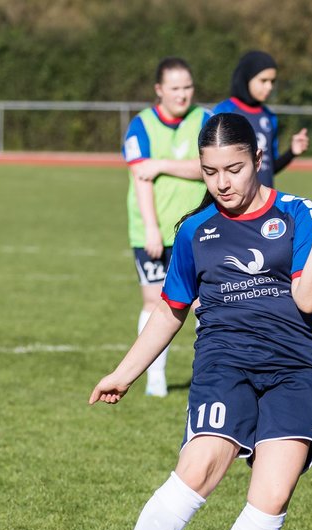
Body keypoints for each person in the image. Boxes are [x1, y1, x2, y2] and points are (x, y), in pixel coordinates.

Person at [66, 112, 312, 530]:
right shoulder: (195, 231)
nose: (223, 183)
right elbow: (170, 311)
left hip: (291, 371)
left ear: (258, 159)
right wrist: (124, 372)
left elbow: (308, 298)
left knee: (273, 494)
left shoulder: (298, 213)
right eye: (210, 172)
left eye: (234, 169)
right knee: (200, 468)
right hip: (223, 363)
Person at [121, 57, 210, 397]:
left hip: (198, 227)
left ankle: (209, 373)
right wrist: (152, 229)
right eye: (175, 88)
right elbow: (141, 177)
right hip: (153, 229)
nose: (182, 94)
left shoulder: (205, 119)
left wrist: (162, 164)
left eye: (188, 87)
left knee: (206, 303)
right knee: (155, 302)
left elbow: (210, 166)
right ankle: (154, 376)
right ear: (159, 90)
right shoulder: (141, 126)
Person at [211, 50, 309, 189]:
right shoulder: (224, 111)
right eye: (263, 81)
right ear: (246, 78)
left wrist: (292, 152)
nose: (269, 87)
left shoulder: (270, 117)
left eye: (272, 81)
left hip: (264, 203)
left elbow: (268, 168)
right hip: (233, 203)